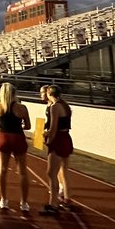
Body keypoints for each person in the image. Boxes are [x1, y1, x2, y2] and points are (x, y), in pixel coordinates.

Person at [0, 82, 31, 213]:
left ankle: (3, 200)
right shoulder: (22, 108)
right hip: (18, 137)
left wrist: (4, 124)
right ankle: (24, 203)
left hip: (4, 138)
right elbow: (28, 126)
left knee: (2, 169)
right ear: (14, 94)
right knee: (23, 172)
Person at [42, 85, 74, 215]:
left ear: (49, 94)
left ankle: (53, 204)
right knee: (63, 171)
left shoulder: (55, 107)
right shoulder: (65, 105)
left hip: (58, 140)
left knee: (51, 173)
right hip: (66, 138)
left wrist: (48, 138)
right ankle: (67, 199)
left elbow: (54, 127)